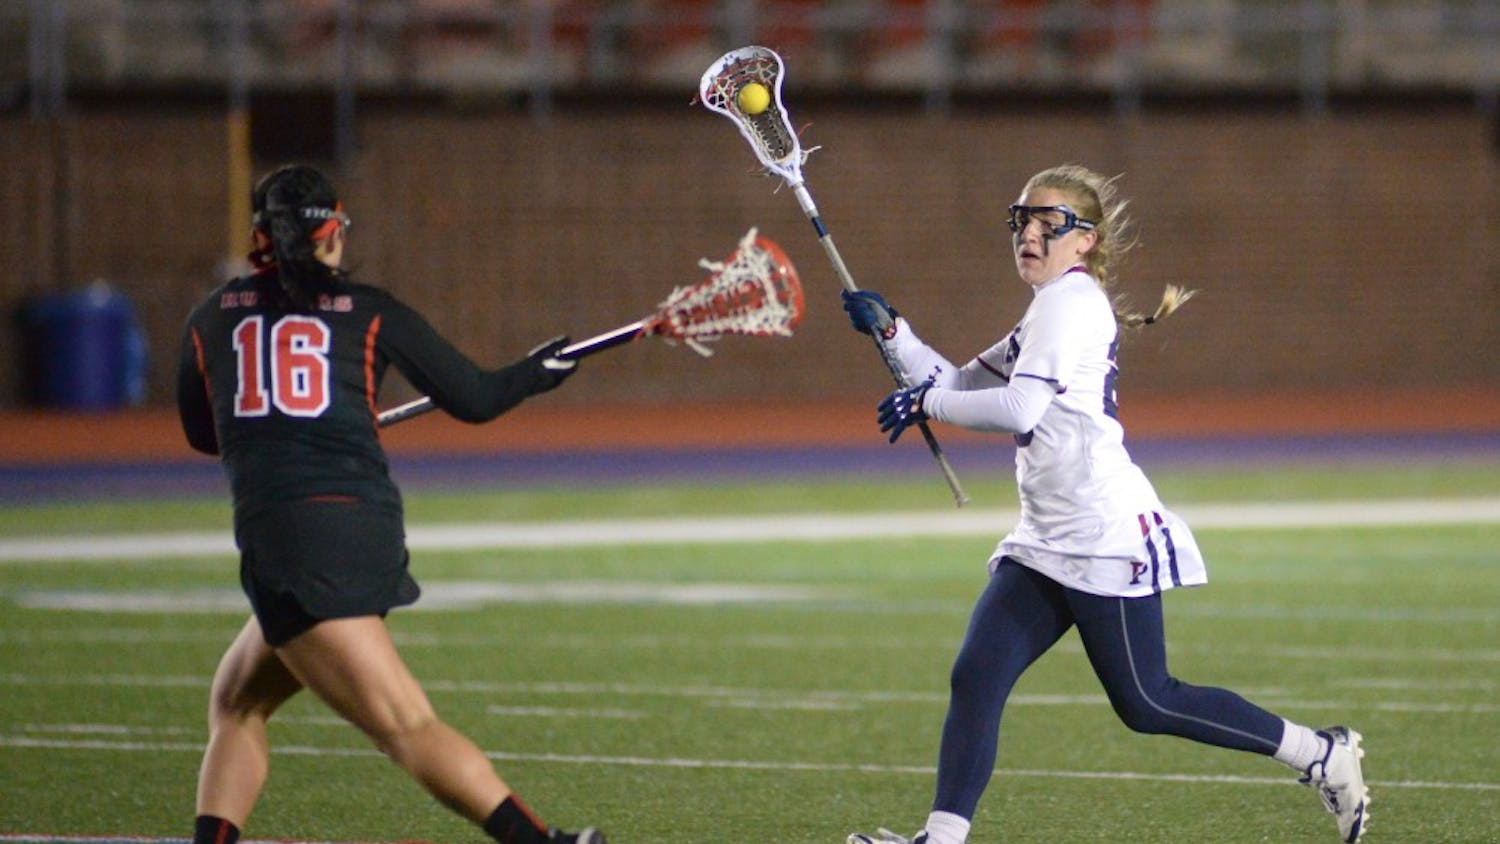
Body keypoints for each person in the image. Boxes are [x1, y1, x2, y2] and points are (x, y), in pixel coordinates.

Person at [839, 164, 1368, 844]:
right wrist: (895, 336)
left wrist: (924, 403)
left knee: (1147, 701)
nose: (1029, 233)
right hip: (1048, 535)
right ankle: (940, 840)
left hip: (1101, 532)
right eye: (1021, 220)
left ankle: (1321, 755)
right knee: (977, 675)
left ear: (1084, 240)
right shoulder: (1050, 305)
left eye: (1048, 222)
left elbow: (1015, 406)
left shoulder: (1071, 303)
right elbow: (965, 381)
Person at [176, 164, 604, 844]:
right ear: (331, 234)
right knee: (237, 701)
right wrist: (535, 372)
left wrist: (279, 423)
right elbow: (478, 399)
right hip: (358, 527)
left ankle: (542, 843)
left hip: (292, 542)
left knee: (405, 727)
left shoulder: (209, 318)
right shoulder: (370, 312)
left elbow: (205, 433)